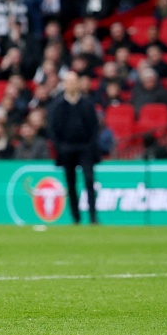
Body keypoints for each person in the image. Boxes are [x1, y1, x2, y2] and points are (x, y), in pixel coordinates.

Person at [47, 70, 101, 225]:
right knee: (70, 184)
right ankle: (76, 217)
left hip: (85, 148)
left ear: (78, 83)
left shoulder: (87, 104)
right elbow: (52, 129)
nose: (71, 84)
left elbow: (94, 127)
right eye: (68, 81)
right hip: (66, 149)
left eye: (73, 81)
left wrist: (90, 146)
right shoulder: (57, 105)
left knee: (89, 181)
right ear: (64, 84)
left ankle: (93, 217)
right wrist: (60, 147)